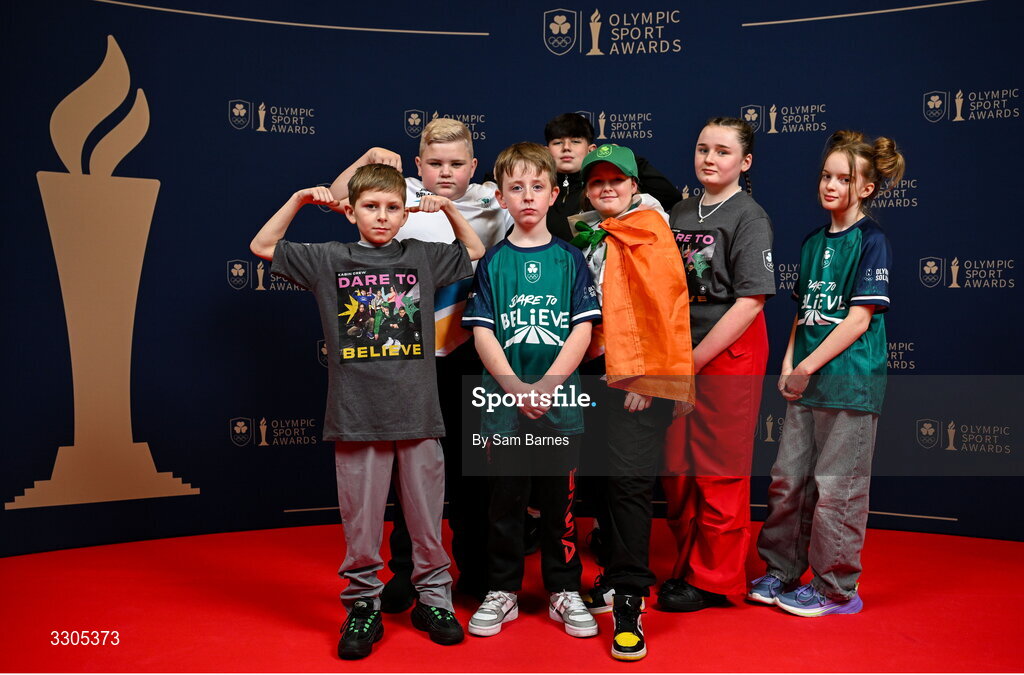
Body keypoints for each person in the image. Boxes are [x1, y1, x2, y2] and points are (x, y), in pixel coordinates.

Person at [250, 164, 485, 659]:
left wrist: (447, 208)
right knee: (361, 525)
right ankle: (363, 603)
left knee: (426, 523)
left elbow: (475, 251)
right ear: (350, 212)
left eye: (392, 207)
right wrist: (298, 200)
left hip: (418, 414)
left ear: (405, 214)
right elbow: (263, 246)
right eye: (371, 207)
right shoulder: (329, 258)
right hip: (357, 416)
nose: (382, 216)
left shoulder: (420, 255)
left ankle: (434, 600)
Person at [330, 118, 507, 608]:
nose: (445, 173)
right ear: (417, 166)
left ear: (474, 165)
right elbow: (338, 195)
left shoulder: (494, 201)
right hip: (413, 359)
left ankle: (476, 568)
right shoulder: (401, 194)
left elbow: (534, 208)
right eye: (435, 163)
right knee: (409, 473)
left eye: (456, 164)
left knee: (473, 469)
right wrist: (368, 157)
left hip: (473, 351)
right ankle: (407, 572)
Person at [750, 130, 904, 617]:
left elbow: (858, 320)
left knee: (838, 488)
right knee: (788, 481)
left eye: (844, 179)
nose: (831, 185)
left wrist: (806, 367)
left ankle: (835, 587)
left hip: (849, 383)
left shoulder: (872, 240)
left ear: (866, 188)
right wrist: (789, 362)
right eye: (826, 176)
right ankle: (782, 570)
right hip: (806, 382)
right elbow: (803, 313)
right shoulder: (813, 242)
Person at [461, 142, 601, 640]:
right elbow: (482, 333)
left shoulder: (570, 259)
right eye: (516, 188)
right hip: (504, 407)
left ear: (554, 194)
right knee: (505, 506)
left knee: (560, 507)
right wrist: (517, 389)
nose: (527, 197)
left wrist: (545, 386)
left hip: (559, 406)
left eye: (537, 187)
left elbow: (583, 330)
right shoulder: (493, 262)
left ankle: (564, 588)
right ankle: (503, 590)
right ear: (500, 197)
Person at [572, 144, 694, 661]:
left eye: (615, 180)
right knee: (602, 482)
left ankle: (629, 599)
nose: (606, 188)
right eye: (596, 181)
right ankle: (609, 579)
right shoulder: (593, 232)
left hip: (637, 379)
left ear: (633, 185)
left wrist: (648, 380)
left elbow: (668, 311)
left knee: (628, 487)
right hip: (594, 371)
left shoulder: (650, 230)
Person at [657, 117, 775, 613]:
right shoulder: (681, 211)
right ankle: (687, 563)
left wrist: (693, 360)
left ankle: (715, 580)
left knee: (719, 469)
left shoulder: (749, 216)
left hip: (729, 353)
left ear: (744, 162)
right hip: (680, 351)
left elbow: (751, 302)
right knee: (677, 467)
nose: (710, 158)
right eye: (703, 148)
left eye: (723, 151)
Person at [542, 112, 683, 242]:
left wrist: (627, 158)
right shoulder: (538, 190)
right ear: (546, 151)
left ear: (591, 149)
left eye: (575, 141)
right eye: (558, 142)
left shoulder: (608, 193)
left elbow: (670, 196)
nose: (566, 148)